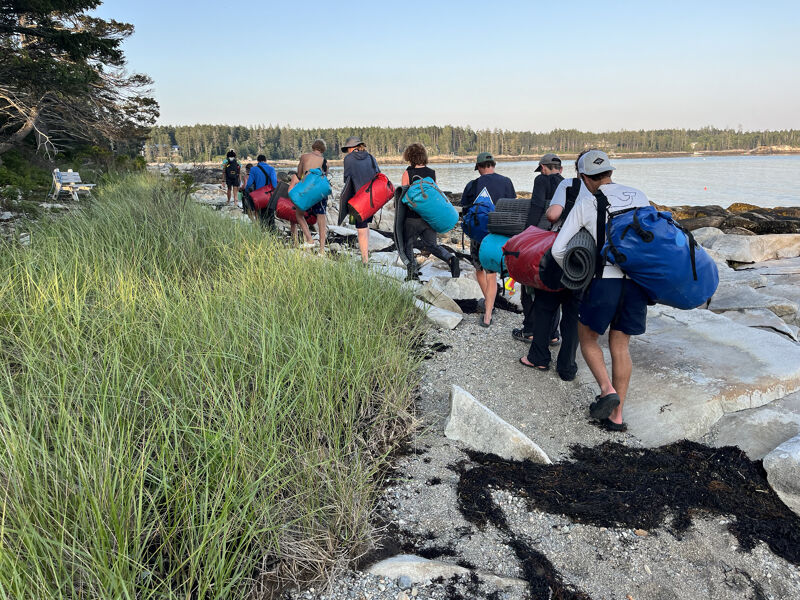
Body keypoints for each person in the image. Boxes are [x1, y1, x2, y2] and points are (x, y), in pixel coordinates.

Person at [551, 150, 651, 432]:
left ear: (584, 177)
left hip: (605, 280)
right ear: (610, 172)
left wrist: (576, 274)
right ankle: (617, 418)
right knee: (620, 346)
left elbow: (559, 249)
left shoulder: (586, 201)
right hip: (636, 281)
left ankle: (607, 390)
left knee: (588, 338)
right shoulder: (639, 196)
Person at [460, 152, 516, 327]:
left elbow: (465, 211)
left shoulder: (472, 185)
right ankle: (490, 303)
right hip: (500, 235)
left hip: (479, 236)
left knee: (481, 271)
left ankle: (488, 313)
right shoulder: (507, 182)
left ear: (478, 168)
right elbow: (513, 208)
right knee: (492, 274)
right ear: (493, 164)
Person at [513, 154, 564, 344]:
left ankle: (530, 330)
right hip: (559, 240)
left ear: (543, 167)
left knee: (529, 285)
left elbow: (536, 207)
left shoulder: (541, 180)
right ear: (560, 168)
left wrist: (525, 235)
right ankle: (553, 334)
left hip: (539, 241)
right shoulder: (567, 184)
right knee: (554, 285)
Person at [401, 143, 460, 279]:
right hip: (429, 217)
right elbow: (433, 196)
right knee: (432, 245)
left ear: (409, 156)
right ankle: (450, 259)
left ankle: (413, 273)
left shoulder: (408, 173)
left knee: (408, 244)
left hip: (413, 218)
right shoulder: (431, 173)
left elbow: (403, 197)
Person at [341, 136, 380, 264]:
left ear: (351, 148)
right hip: (372, 197)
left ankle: (365, 260)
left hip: (358, 198)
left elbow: (346, 179)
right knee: (365, 225)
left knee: (361, 228)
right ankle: (366, 253)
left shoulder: (348, 159)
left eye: (347, 149)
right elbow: (377, 174)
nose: (347, 151)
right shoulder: (370, 157)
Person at [289, 139, 329, 253]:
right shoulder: (324, 161)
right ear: (323, 149)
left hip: (307, 190)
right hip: (319, 192)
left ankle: (310, 239)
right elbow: (324, 177)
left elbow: (300, 174)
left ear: (313, 147)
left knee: (299, 215)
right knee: (321, 219)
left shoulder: (304, 157)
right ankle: (322, 250)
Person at [244, 154, 278, 226]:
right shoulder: (271, 169)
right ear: (266, 160)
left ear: (258, 161)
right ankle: (272, 232)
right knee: (270, 214)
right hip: (269, 195)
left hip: (258, 196)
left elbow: (249, 183)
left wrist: (246, 190)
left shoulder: (253, 169)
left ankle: (262, 231)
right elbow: (274, 183)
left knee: (260, 214)